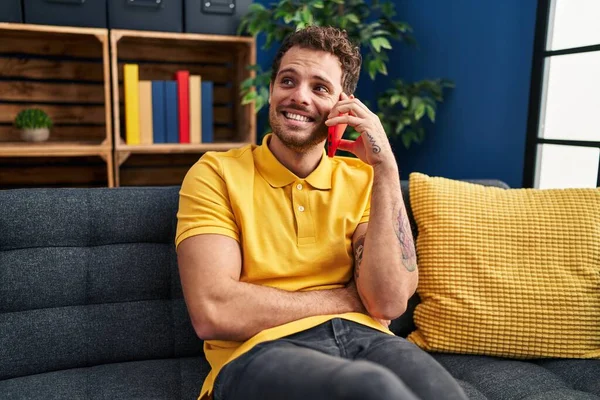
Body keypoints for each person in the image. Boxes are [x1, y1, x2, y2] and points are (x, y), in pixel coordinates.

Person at [176, 25, 467, 400]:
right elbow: (213, 311)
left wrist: (386, 167)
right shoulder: (216, 173)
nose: (299, 97)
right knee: (372, 390)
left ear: (343, 105)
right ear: (271, 89)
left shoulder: (363, 180)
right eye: (288, 81)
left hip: (368, 340)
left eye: (320, 88)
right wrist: (346, 300)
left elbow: (390, 301)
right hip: (260, 350)